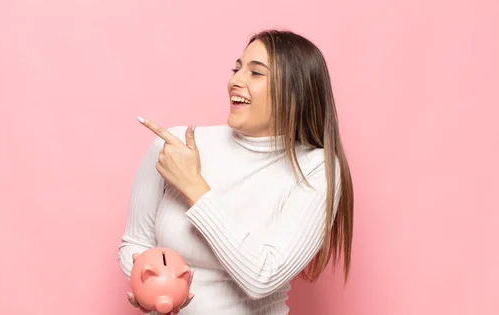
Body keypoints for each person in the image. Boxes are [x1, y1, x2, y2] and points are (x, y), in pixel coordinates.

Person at [117, 29, 354, 315]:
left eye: (256, 73)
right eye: (237, 68)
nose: (235, 81)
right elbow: (135, 243)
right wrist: (149, 283)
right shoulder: (174, 147)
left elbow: (262, 277)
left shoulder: (316, 167)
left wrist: (194, 186)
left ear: (294, 89)